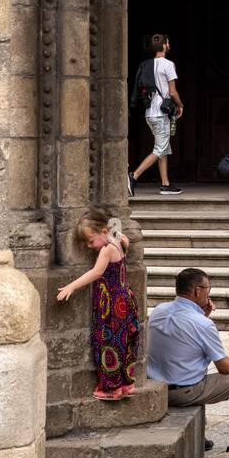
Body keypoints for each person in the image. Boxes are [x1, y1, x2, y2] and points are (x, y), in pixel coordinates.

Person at [147, 267, 229, 452]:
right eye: (208, 289)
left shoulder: (159, 311)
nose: (208, 294)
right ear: (198, 290)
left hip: (156, 386)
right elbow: (226, 368)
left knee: (191, 365)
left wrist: (202, 316)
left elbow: (180, 341)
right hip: (184, 392)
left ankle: (201, 436)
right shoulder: (203, 324)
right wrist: (204, 321)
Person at [56, 210, 140, 402]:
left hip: (111, 303)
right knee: (124, 342)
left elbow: (96, 272)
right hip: (125, 299)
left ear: (103, 231)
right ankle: (126, 383)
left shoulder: (107, 249)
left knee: (108, 344)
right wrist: (108, 230)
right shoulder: (121, 241)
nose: (89, 245)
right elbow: (116, 223)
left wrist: (72, 286)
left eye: (90, 240)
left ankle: (112, 388)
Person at [129, 33, 183, 196]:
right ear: (165, 46)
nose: (169, 44)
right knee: (159, 149)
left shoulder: (147, 64)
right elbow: (172, 92)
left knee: (163, 147)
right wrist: (180, 105)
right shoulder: (168, 64)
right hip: (161, 114)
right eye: (168, 42)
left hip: (150, 113)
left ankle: (165, 184)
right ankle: (133, 176)